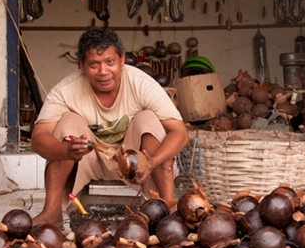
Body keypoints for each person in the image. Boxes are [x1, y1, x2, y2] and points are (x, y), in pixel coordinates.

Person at [30, 27, 187, 225]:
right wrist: (66, 150)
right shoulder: (65, 90)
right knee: (68, 122)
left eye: (110, 62)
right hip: (86, 158)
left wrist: (152, 161)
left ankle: (166, 209)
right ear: (82, 65)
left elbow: (180, 132)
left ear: (122, 60)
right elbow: (38, 138)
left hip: (135, 162)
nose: (103, 72)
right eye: (93, 64)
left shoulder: (141, 84)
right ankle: (51, 212)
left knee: (148, 119)